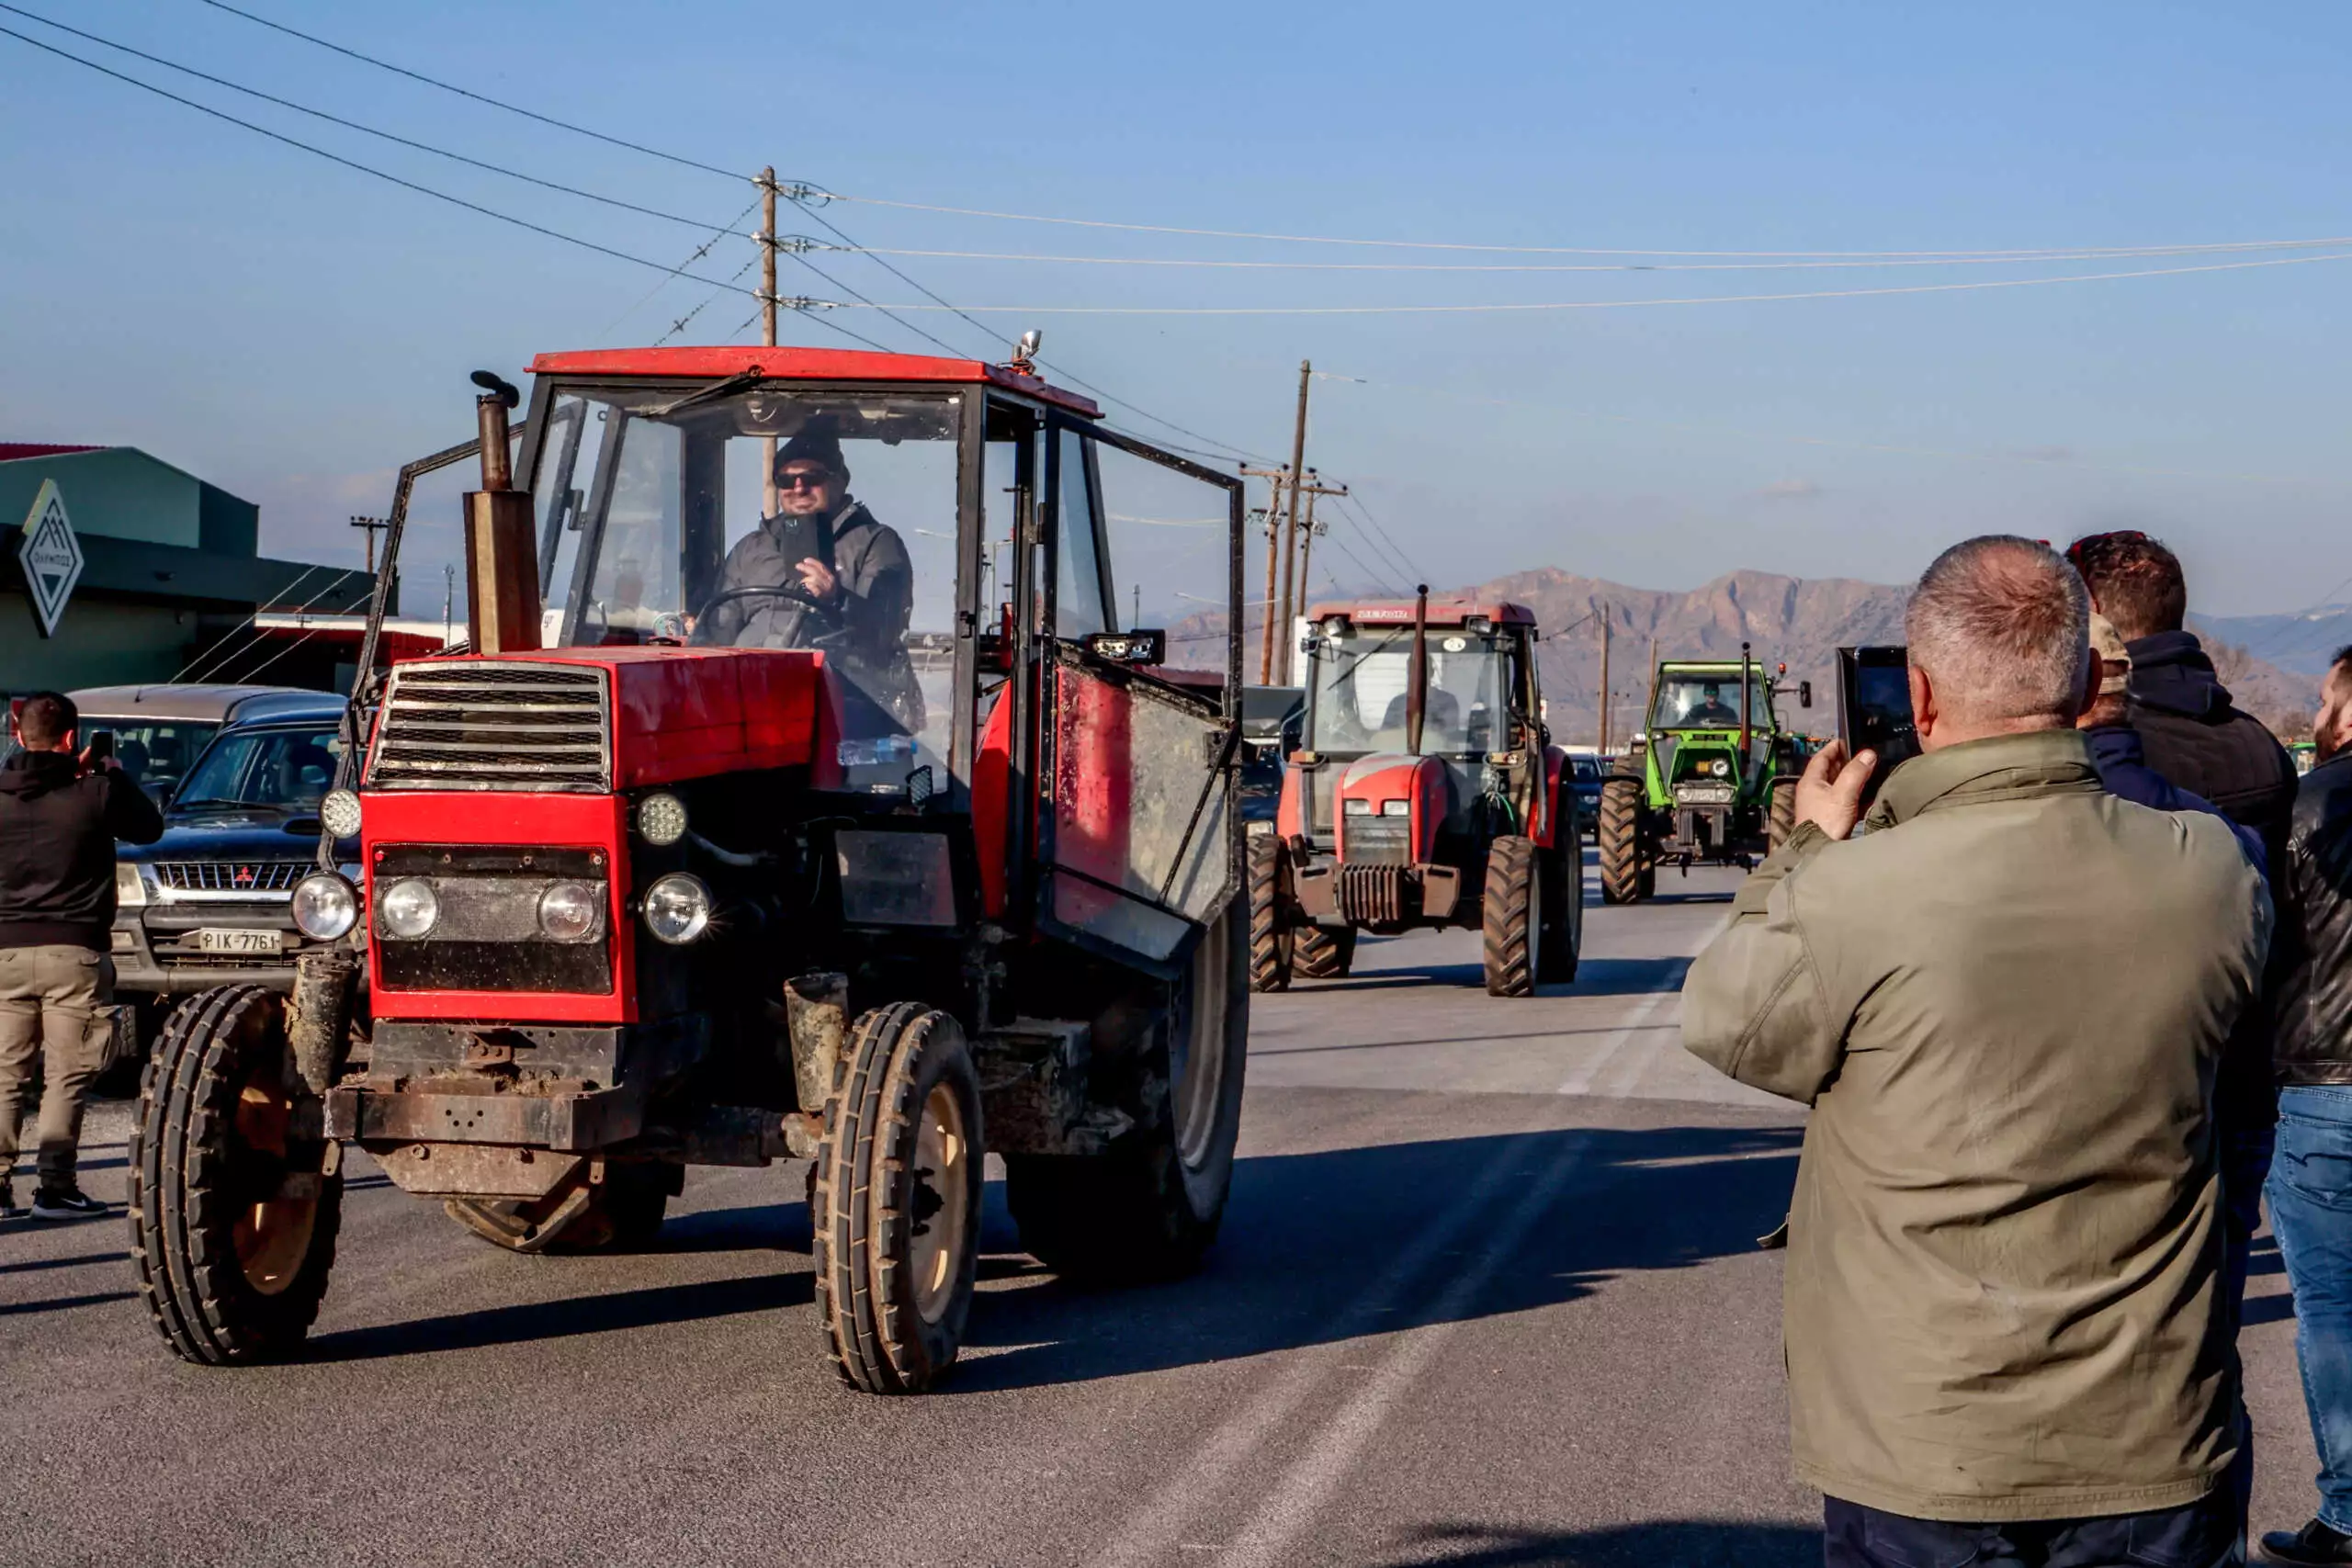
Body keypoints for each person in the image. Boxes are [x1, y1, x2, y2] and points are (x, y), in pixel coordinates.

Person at [1683, 536, 2270, 1568]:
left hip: (1924, 1451)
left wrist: (1806, 849)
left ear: (1917, 695)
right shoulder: (2215, 875)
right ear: (2089, 679)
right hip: (2151, 1433)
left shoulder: (1849, 893)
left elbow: (1729, 1023)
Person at [2070, 531, 2297, 1340]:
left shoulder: (2086, 760)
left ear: (2089, 619)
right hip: (2236, 1082)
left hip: (2118, 1105)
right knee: (2210, 1345)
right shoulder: (2259, 747)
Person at [2255, 647, 2352, 1566]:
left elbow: (2264, 940)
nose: (2317, 712)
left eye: (2326, 699)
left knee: (2329, 1304)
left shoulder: (2309, 808)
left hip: (2322, 1084)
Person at [0, 691, 163, 1222]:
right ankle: (55, 1187)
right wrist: (113, 774)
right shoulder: (95, 794)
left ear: (16, 734)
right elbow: (149, 827)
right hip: (74, 952)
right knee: (67, 1074)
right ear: (72, 740)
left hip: (4, 952)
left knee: (6, 1074)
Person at [699, 427, 923, 733]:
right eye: (786, 480)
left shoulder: (876, 543)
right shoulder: (751, 548)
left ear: (840, 480)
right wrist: (699, 636)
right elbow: (720, 627)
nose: (799, 487)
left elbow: (888, 627)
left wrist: (838, 599)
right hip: (753, 703)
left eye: (813, 477)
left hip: (846, 708)